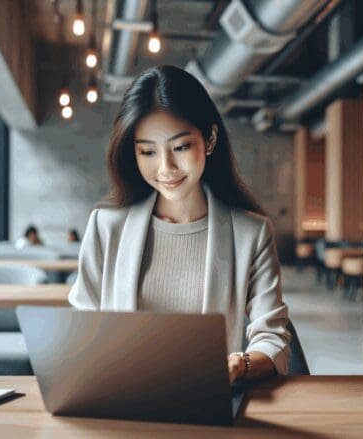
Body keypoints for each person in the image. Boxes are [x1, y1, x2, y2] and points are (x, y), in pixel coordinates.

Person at [69, 65, 291, 384]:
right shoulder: (106, 227)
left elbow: (273, 340)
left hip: (207, 401)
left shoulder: (251, 234)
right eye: (148, 151)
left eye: (181, 147)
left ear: (210, 139)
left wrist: (239, 364)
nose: (166, 168)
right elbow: (82, 333)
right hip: (121, 398)